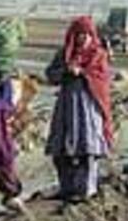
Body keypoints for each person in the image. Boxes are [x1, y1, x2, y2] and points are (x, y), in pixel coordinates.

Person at [45, 15, 114, 202]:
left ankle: (87, 190)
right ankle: (66, 188)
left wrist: (82, 73)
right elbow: (50, 75)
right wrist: (65, 71)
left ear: (92, 35)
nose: (82, 38)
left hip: (89, 108)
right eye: (79, 34)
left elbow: (103, 78)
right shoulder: (64, 54)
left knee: (88, 150)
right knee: (61, 150)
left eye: (86, 34)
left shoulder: (98, 55)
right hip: (66, 108)